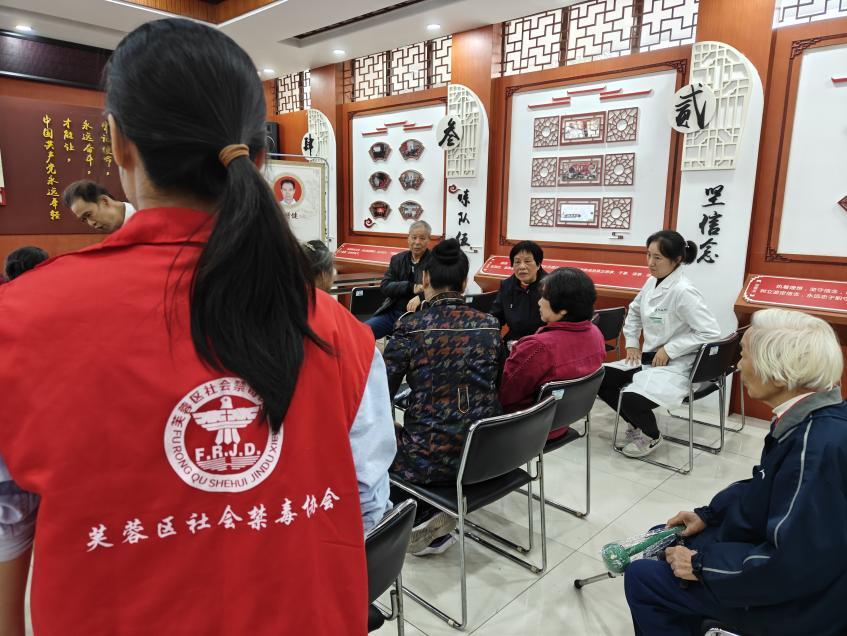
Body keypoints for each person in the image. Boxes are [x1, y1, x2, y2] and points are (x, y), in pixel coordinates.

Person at [0, 18, 395, 635]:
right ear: (259, 156)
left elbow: (8, 521)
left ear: (119, 144)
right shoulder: (340, 329)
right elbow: (367, 501)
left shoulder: (18, 321)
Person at [624, 308, 847, 636]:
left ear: (779, 372)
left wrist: (700, 566)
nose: (738, 365)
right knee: (665, 535)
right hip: (789, 565)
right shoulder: (814, 418)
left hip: (803, 606)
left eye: (744, 355)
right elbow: (764, 485)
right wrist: (710, 514)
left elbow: (793, 563)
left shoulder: (814, 448)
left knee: (644, 578)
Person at [384, 239, 502, 556]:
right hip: (484, 453)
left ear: (425, 279)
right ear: (464, 283)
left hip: (427, 459)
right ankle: (433, 510)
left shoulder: (411, 327)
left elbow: (381, 393)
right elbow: (495, 386)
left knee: (375, 438)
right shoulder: (490, 326)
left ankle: (418, 514)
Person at [597, 230, 720, 458]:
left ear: (677, 260)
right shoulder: (652, 281)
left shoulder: (683, 291)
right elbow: (634, 311)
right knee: (601, 379)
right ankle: (635, 424)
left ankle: (651, 435)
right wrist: (632, 342)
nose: (650, 263)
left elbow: (710, 332)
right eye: (648, 255)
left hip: (677, 365)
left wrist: (670, 349)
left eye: (657, 258)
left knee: (631, 399)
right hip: (648, 358)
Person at [499, 267, 606, 438]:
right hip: (562, 421)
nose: (539, 302)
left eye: (544, 297)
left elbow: (506, 396)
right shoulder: (595, 333)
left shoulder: (537, 348)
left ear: (563, 309)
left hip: (524, 429)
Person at [365, 220, 432, 339]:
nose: (417, 242)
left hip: (420, 316)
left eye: (422, 238)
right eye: (414, 237)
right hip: (393, 313)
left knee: (408, 343)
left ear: (428, 240)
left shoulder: (434, 261)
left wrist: (421, 297)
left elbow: (439, 287)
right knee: (363, 331)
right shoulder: (397, 259)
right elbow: (385, 286)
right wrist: (411, 287)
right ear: (408, 238)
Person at [490, 240, 548, 344]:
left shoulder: (550, 286)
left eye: (527, 261)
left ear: (538, 264)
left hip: (541, 342)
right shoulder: (507, 285)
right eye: (517, 262)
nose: (522, 267)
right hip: (513, 342)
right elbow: (496, 317)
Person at [61, 179, 136, 232]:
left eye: (88, 215)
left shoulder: (141, 215)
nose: (91, 223)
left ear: (104, 201)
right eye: (84, 219)